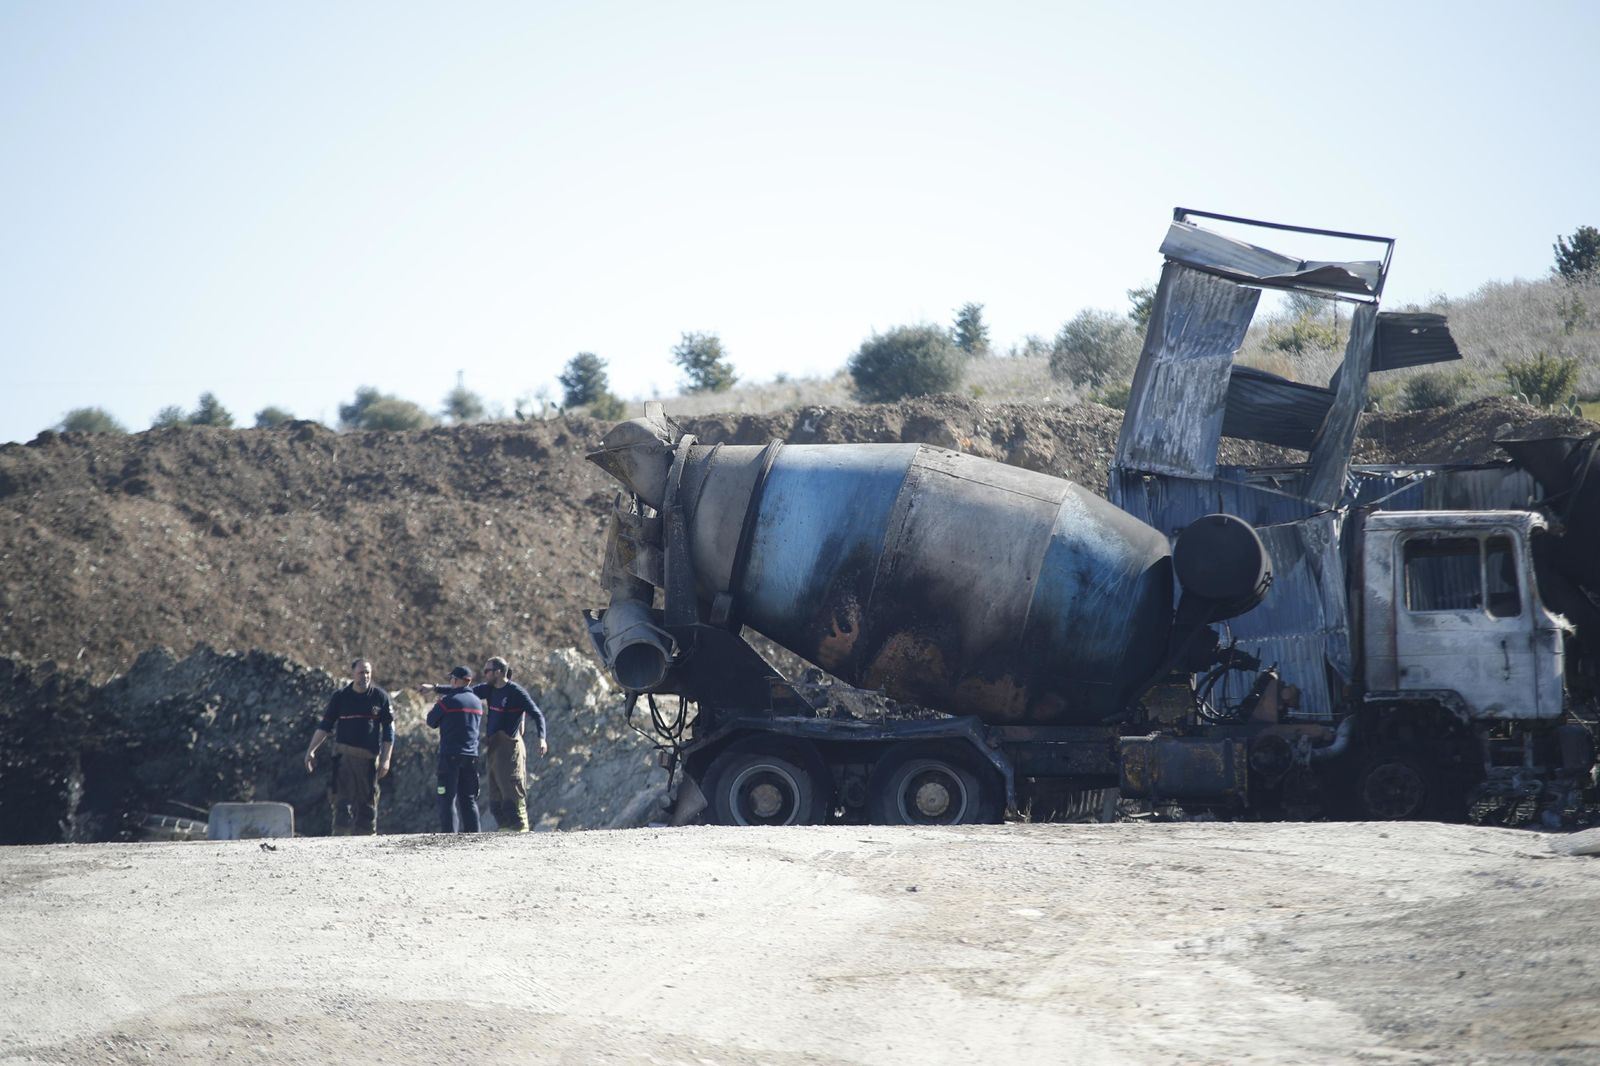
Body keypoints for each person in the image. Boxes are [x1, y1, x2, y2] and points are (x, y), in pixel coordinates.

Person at [304, 658, 395, 835]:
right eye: (361, 672)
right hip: (344, 759)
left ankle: (367, 842)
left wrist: (386, 759)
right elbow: (325, 726)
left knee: (367, 806)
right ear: (353, 674)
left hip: (368, 761)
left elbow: (389, 732)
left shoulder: (380, 697)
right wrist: (311, 751)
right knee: (342, 805)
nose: (365, 676)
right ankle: (339, 841)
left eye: (368, 672)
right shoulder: (341, 697)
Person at [474, 656, 548, 833]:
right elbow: (465, 692)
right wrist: (437, 689)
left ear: (498, 672)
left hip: (510, 748)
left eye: (487, 671)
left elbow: (537, 715)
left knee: (512, 793)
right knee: (495, 800)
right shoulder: (489, 690)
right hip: (494, 748)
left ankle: (520, 830)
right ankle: (506, 831)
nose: (484, 675)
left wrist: (542, 738)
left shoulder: (516, 692)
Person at [420, 666, 485, 833]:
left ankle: (449, 836)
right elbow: (462, 693)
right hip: (471, 756)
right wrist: (436, 688)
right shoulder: (477, 702)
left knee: (447, 798)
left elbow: (431, 721)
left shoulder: (448, 702)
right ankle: (474, 836)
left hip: (450, 756)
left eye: (451, 679)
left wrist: (439, 704)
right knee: (468, 799)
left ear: (456, 680)